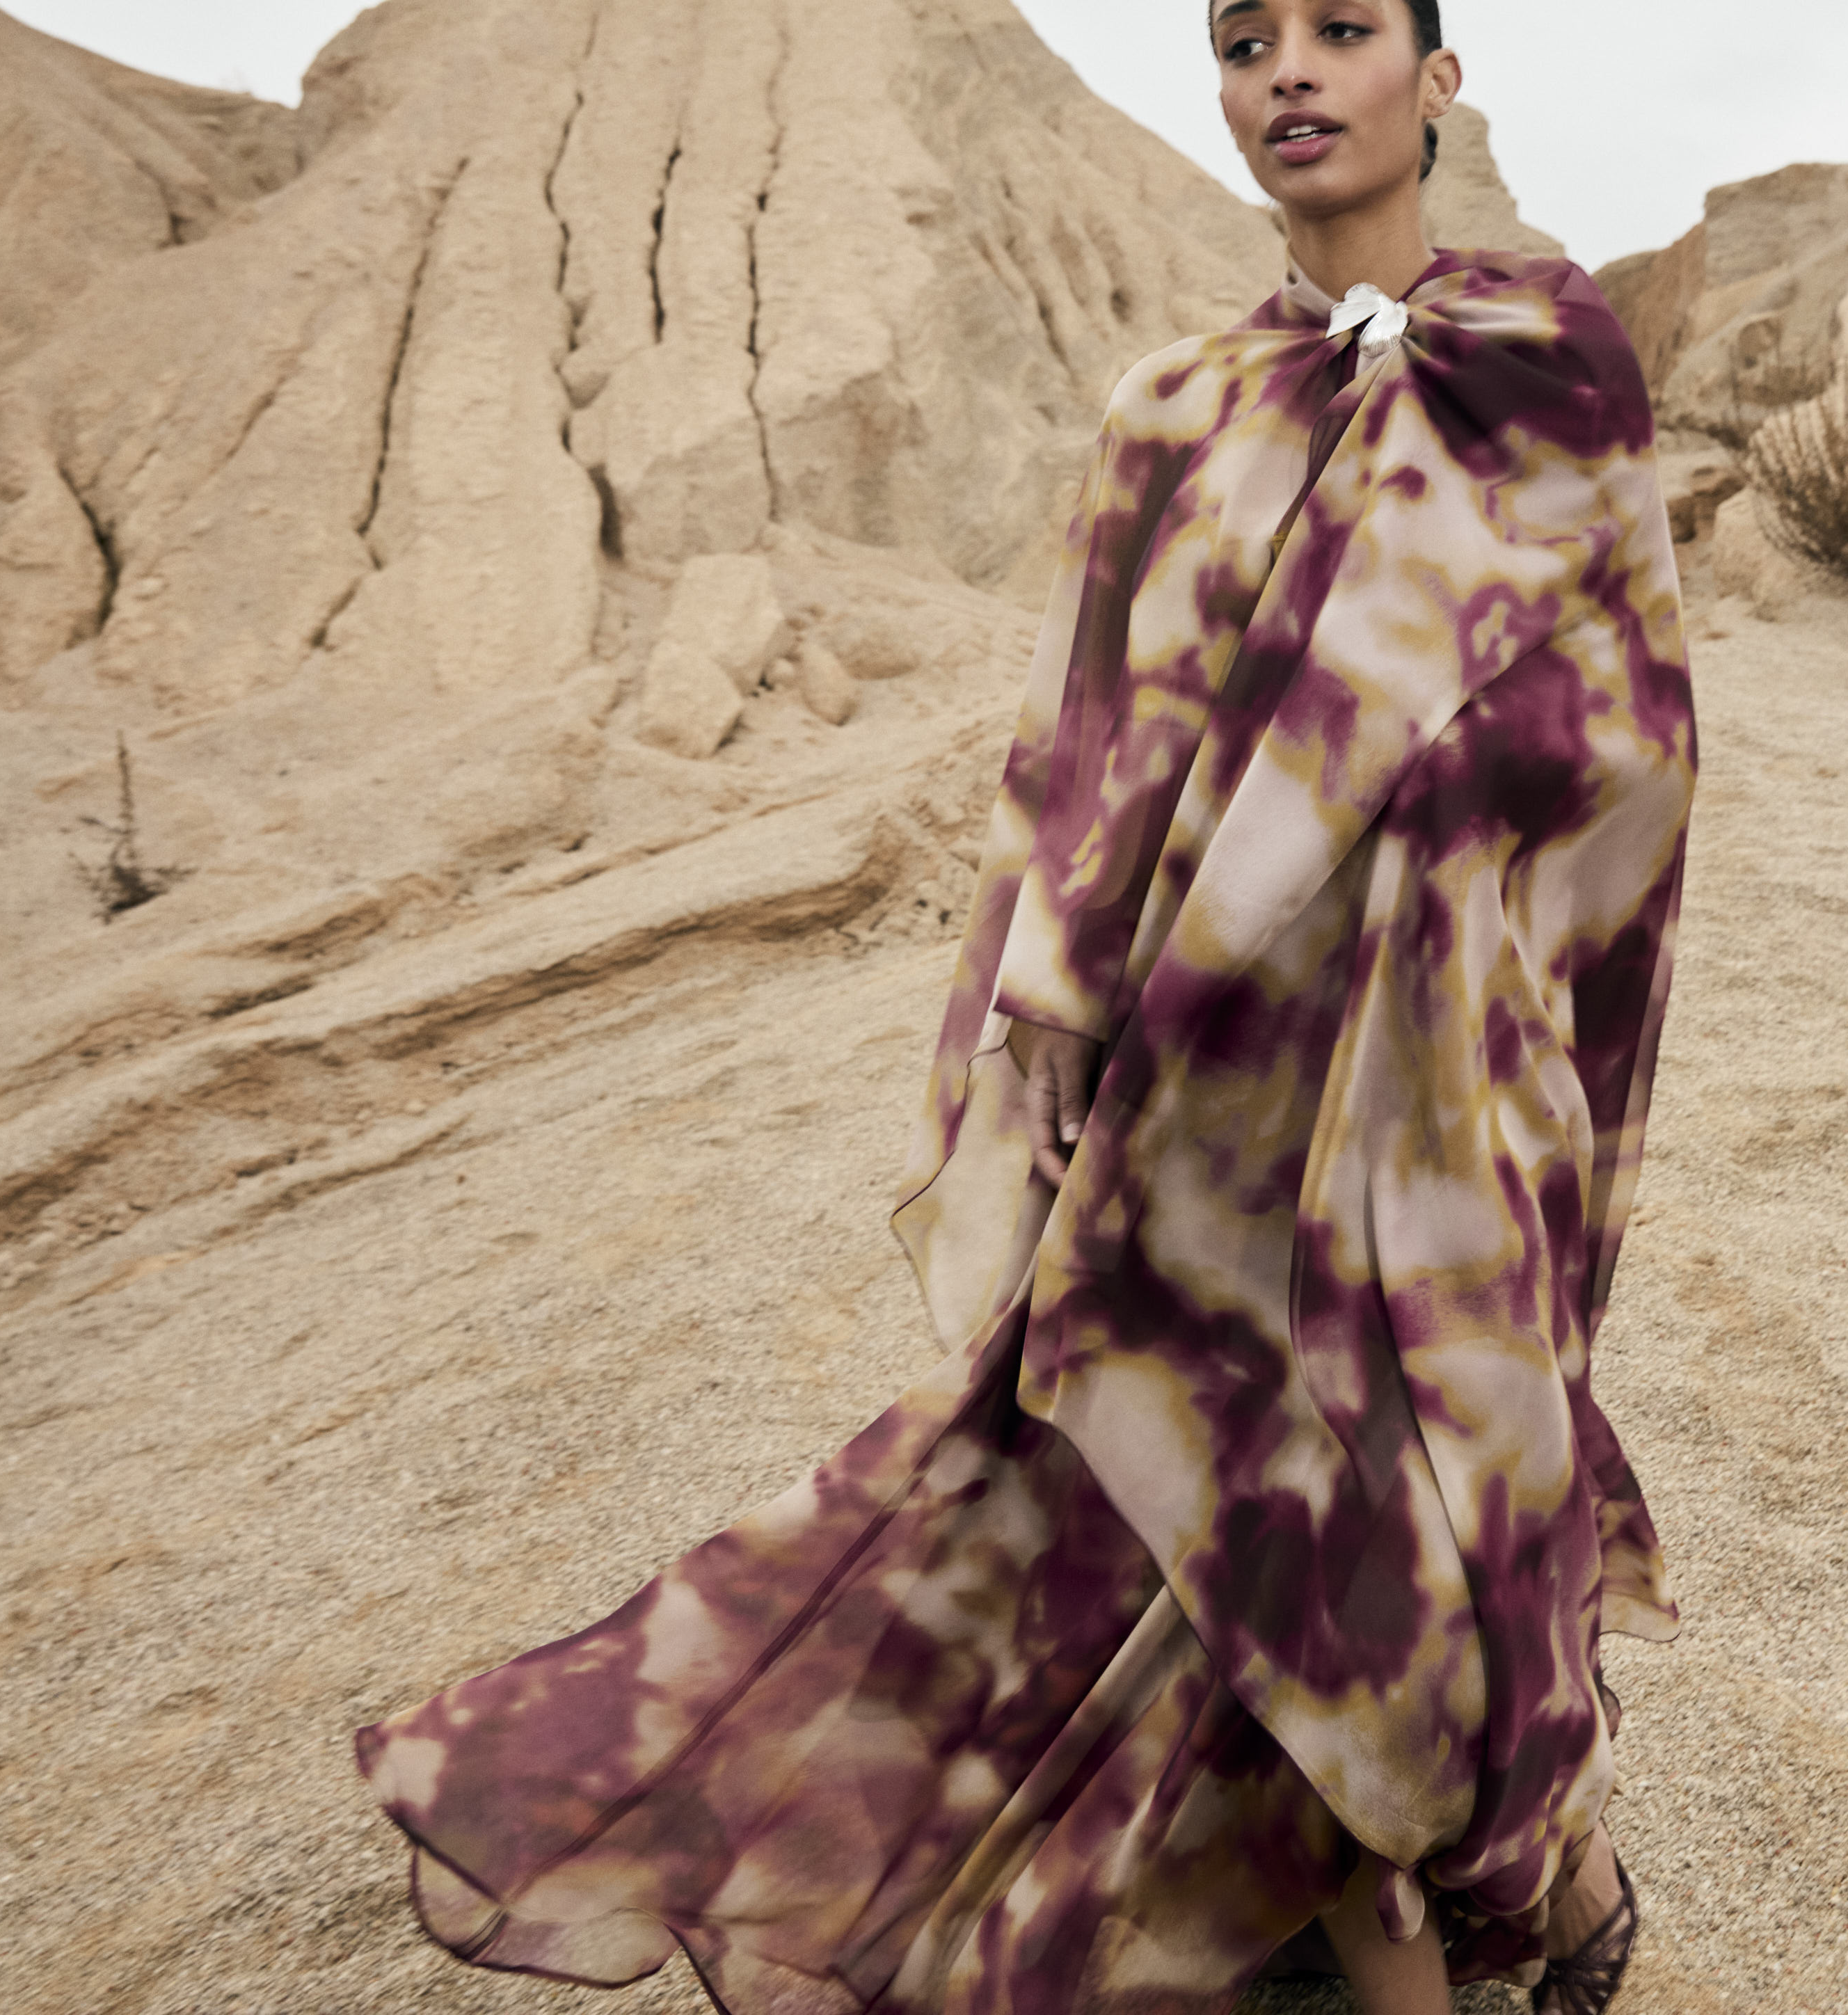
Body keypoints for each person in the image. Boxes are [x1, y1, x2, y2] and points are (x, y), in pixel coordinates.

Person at [355, 1, 1694, 2009]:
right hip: (1207, 1075)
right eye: (1244, 41)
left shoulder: (1551, 363)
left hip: (1437, 1068)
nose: (1289, 73)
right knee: (1262, 1521)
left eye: (1342, 28)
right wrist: (1055, 996)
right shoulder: (1176, 408)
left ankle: (1550, 1864)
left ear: (1440, 76)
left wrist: (1454, 871)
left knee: (1455, 1496)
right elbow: (1094, 730)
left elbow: (1631, 720)